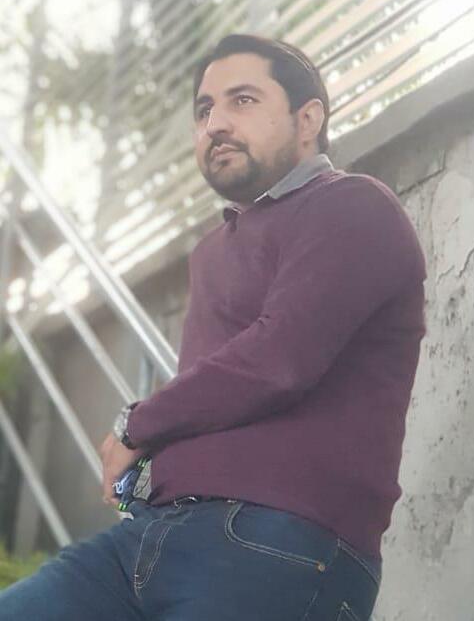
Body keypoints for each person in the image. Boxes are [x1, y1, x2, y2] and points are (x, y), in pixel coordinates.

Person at [0, 34, 427, 620]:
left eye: (242, 100)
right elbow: (209, 392)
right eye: (205, 110)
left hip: (277, 540)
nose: (215, 124)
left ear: (308, 119)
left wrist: (135, 425)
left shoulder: (354, 206)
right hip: (150, 536)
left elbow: (278, 359)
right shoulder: (213, 251)